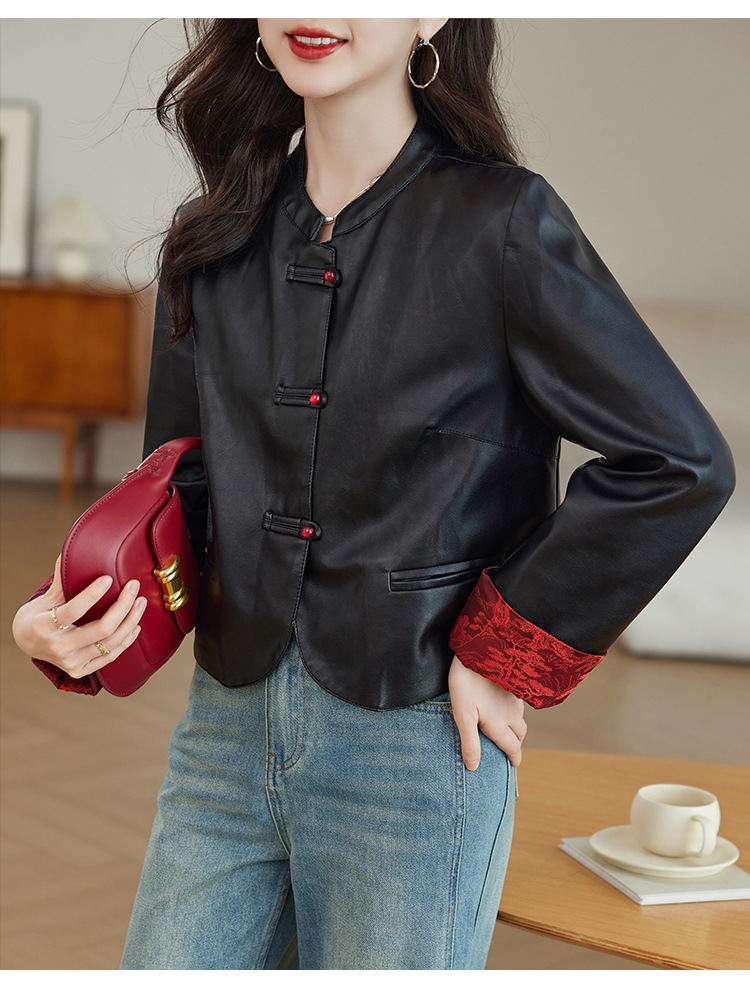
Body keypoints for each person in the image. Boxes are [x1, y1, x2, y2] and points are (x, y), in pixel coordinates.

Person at [12, 18, 735, 971]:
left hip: (416, 751)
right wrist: (68, 606)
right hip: (223, 740)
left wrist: (503, 649)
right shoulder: (211, 234)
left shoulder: (502, 223)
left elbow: (678, 459)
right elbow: (181, 490)